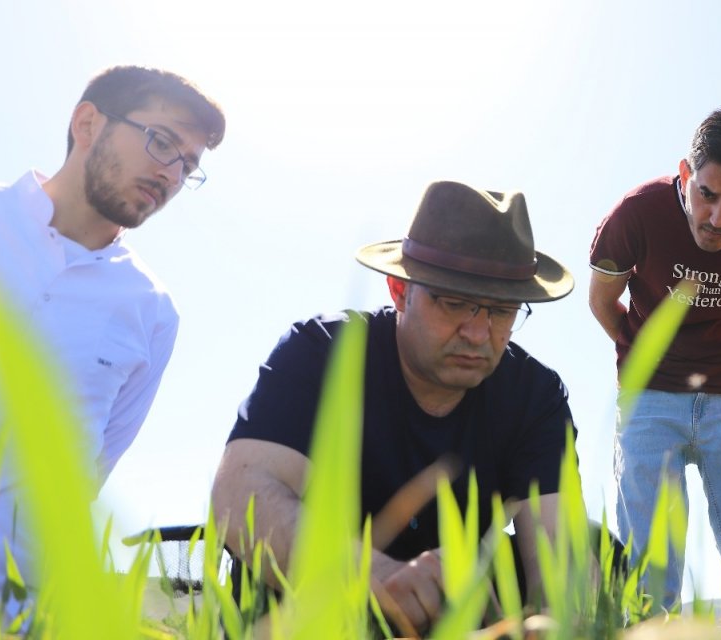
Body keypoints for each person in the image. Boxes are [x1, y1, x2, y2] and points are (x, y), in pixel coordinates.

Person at [211, 180, 576, 634]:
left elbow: (559, 546)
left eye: (501, 312)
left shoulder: (533, 395)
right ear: (399, 291)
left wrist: (557, 622)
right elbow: (240, 495)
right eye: (455, 303)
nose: (479, 334)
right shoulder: (321, 353)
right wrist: (376, 578)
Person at [0, 65, 225, 618]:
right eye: (162, 141)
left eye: (188, 164)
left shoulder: (151, 314)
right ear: (86, 123)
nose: (171, 174)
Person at [589, 103, 721, 619]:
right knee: (649, 565)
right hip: (649, 401)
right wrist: (644, 352)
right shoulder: (637, 212)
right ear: (685, 174)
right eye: (706, 194)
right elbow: (602, 300)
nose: (717, 218)